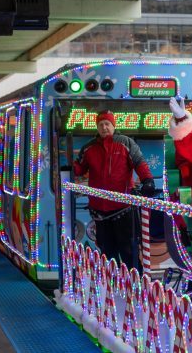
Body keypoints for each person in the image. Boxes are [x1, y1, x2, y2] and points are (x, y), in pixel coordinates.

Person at [73, 110, 155, 268]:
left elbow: (140, 162)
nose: (104, 127)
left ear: (113, 125)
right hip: (99, 210)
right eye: (101, 124)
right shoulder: (88, 148)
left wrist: (148, 181)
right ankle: (112, 286)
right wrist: (69, 168)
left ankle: (134, 284)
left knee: (128, 250)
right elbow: (79, 169)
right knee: (106, 251)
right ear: (97, 127)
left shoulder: (126, 143)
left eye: (107, 124)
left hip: (123, 208)